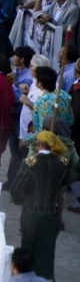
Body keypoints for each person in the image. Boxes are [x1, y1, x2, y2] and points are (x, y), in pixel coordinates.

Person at [11, 131, 70, 281]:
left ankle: (24, 277)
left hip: (31, 212)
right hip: (52, 213)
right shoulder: (63, 163)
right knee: (47, 248)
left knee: (27, 246)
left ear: (38, 145)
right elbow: (65, 183)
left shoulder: (30, 163)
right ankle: (45, 279)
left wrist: (19, 201)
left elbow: (16, 187)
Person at [4, 46, 35, 190]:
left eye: (15, 56)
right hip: (13, 114)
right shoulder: (17, 72)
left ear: (22, 59)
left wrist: (11, 85)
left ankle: (19, 183)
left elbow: (20, 98)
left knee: (21, 148)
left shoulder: (27, 77)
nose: (13, 58)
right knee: (14, 149)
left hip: (19, 115)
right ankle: (12, 180)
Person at [22, 66, 74, 149]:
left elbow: (43, 131)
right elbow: (70, 120)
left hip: (47, 145)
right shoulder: (62, 95)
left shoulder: (43, 102)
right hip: (63, 141)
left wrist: (25, 141)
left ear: (40, 83)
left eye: (36, 78)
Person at [18, 54, 51, 148]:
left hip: (34, 136)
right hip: (25, 131)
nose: (29, 67)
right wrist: (27, 92)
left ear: (39, 68)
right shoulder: (35, 81)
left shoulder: (47, 86)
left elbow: (45, 110)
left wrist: (27, 102)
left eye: (31, 66)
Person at [68, 58, 80, 214]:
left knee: (75, 168)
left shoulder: (77, 87)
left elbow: (76, 111)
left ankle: (78, 203)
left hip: (77, 132)